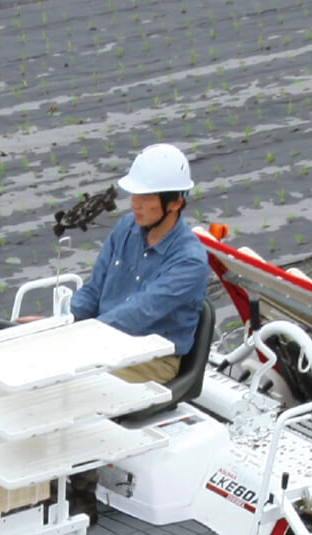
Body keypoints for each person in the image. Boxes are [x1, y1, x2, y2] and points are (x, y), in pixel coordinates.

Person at [66, 143, 211, 384]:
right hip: (102, 341)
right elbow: (94, 289)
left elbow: (138, 314)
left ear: (175, 203)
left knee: (64, 379)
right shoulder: (126, 228)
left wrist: (77, 338)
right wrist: (62, 321)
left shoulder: (189, 261)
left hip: (151, 360)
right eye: (134, 195)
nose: (134, 203)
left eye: (145, 197)